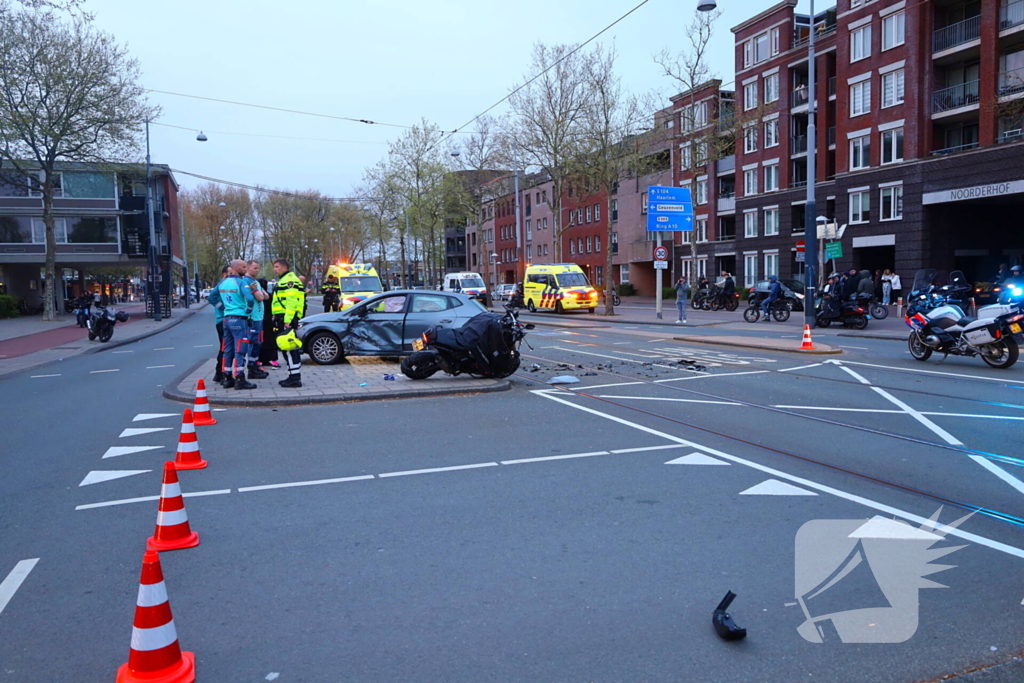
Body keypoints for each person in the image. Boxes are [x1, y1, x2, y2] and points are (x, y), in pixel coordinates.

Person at [215, 259, 257, 390]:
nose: (246, 269)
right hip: (239, 319)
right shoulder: (241, 282)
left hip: (226, 319)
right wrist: (248, 310)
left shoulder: (222, 283)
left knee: (227, 349)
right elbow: (250, 298)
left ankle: (227, 377)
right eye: (244, 267)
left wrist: (223, 308)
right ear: (237, 268)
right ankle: (240, 378)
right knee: (240, 349)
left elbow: (212, 297)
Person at [272, 258, 306, 388]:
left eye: (277, 267)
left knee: (289, 348)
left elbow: (292, 302)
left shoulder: (289, 281)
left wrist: (287, 320)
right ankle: (293, 375)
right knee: (289, 348)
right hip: (285, 317)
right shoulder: (286, 279)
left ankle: (294, 378)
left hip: (286, 319)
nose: (275, 269)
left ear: (284, 267)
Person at [242, 260, 270, 380]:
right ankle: (252, 368)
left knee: (258, 342)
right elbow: (260, 297)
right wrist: (260, 293)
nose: (257, 270)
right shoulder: (248, 282)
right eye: (255, 268)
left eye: (258, 268)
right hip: (253, 317)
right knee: (254, 342)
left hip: (259, 316)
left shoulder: (255, 282)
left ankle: (254, 365)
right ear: (248, 268)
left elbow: (266, 296)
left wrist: (261, 293)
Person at [206, 265, 231, 384]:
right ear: (224, 274)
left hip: (226, 319)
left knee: (225, 347)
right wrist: (223, 307)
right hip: (223, 320)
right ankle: (221, 373)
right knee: (226, 348)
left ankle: (219, 373)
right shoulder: (222, 284)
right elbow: (211, 298)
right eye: (230, 273)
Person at [258, 277, 279, 368]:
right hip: (269, 320)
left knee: (260, 340)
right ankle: (272, 359)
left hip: (259, 320)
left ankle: (259, 359)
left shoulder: (258, 297)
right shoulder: (270, 296)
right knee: (270, 339)